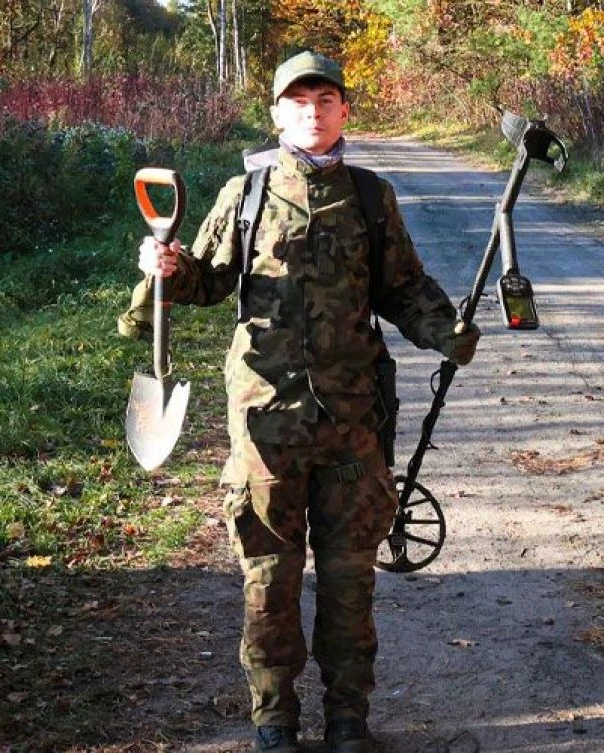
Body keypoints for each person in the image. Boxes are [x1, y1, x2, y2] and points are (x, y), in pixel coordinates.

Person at [124, 51, 480, 753]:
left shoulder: (373, 197)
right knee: (269, 577)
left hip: (353, 425)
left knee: (350, 578)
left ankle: (349, 721)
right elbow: (208, 281)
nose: (312, 112)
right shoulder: (247, 193)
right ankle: (274, 722)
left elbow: (402, 288)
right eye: (298, 101)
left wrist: (448, 331)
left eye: (325, 100)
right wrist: (167, 269)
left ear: (345, 111)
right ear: (277, 113)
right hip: (266, 424)